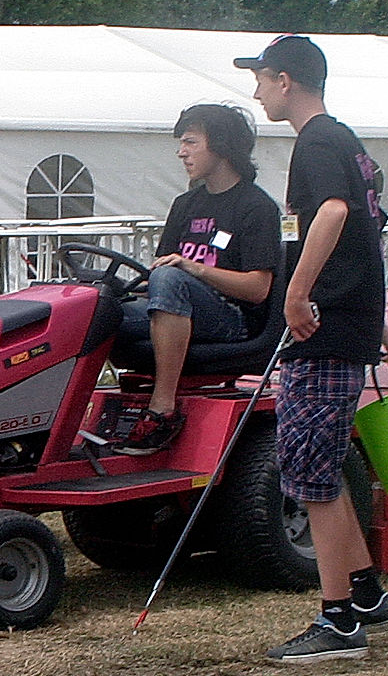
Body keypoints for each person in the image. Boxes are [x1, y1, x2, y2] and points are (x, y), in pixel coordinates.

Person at [234, 35, 388, 663]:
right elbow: (369, 233)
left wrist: (296, 293)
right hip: (346, 321)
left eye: (260, 79)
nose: (255, 91)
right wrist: (373, 316)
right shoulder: (347, 142)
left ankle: (337, 624)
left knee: (311, 472)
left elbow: (331, 214)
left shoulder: (317, 141)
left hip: (322, 330)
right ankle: (363, 592)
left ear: (285, 81)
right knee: (317, 462)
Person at [113, 104, 281, 455]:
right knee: (97, 307)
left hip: (233, 319)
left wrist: (195, 268)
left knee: (172, 279)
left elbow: (258, 288)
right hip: (178, 305)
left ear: (220, 146)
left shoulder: (256, 207)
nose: (181, 152)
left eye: (190, 142)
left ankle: (163, 408)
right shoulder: (184, 204)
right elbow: (162, 272)